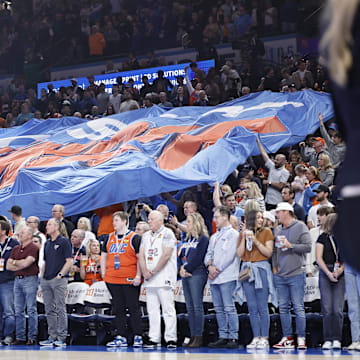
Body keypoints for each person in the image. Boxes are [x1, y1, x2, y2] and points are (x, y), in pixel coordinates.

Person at [101, 211, 143, 348]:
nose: (114, 223)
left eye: (117, 220)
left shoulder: (134, 238)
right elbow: (104, 256)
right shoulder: (108, 238)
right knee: (118, 308)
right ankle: (121, 336)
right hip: (112, 278)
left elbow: (139, 258)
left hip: (129, 278)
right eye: (113, 220)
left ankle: (138, 335)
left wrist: (138, 275)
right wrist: (103, 273)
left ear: (125, 221)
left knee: (133, 308)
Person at [272, 202, 311, 349]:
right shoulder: (278, 230)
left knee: (298, 307)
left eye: (278, 212)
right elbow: (275, 251)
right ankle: (287, 338)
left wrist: (291, 245)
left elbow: (308, 247)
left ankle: (301, 337)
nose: (276, 215)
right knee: (283, 307)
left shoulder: (301, 226)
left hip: (296, 273)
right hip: (281, 275)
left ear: (286, 212)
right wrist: (275, 267)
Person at [139, 210, 178, 349]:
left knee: (168, 309)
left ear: (160, 221)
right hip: (149, 278)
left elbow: (166, 255)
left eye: (151, 219)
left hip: (164, 276)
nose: (149, 221)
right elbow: (141, 255)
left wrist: (154, 271)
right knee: (152, 309)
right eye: (148, 219)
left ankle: (171, 338)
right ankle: (154, 337)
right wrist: (144, 271)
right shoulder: (145, 236)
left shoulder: (168, 233)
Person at [237, 211, 275, 349]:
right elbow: (240, 254)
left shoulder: (267, 232)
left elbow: (268, 252)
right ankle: (256, 336)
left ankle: (264, 337)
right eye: (258, 217)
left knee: (262, 306)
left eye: (261, 217)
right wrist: (243, 238)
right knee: (252, 307)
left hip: (261, 269)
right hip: (247, 269)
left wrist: (255, 241)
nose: (261, 219)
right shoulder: (243, 233)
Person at [204, 206, 239, 349]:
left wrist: (216, 269)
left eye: (217, 217)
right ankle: (223, 335)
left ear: (225, 217)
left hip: (227, 276)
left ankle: (233, 336)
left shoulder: (234, 235)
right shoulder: (214, 236)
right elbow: (208, 254)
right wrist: (209, 266)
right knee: (218, 308)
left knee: (229, 307)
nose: (214, 220)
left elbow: (230, 256)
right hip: (214, 277)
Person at [40, 218, 73, 347]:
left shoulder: (64, 241)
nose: (47, 226)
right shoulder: (47, 243)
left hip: (58, 279)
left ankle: (61, 337)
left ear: (57, 227)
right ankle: (52, 336)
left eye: (49, 224)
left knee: (60, 308)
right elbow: (45, 262)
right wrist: (41, 278)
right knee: (49, 309)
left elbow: (69, 261)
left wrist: (60, 275)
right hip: (46, 279)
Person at [178, 213, 209, 348]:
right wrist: (181, 268)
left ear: (196, 223)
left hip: (197, 273)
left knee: (197, 306)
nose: (187, 224)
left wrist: (187, 269)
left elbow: (199, 257)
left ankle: (199, 336)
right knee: (189, 307)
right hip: (185, 274)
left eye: (189, 222)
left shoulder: (203, 239)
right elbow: (181, 255)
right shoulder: (186, 239)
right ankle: (192, 335)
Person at [316, 213, 345, 350]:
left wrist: (339, 271)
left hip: (340, 271)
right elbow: (318, 257)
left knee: (337, 309)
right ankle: (328, 338)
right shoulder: (322, 238)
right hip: (325, 272)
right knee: (327, 309)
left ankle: (337, 338)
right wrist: (328, 273)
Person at [7, 226, 39, 345]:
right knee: (18, 310)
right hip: (17, 279)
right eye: (20, 232)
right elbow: (8, 266)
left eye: (23, 232)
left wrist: (15, 262)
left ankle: (32, 336)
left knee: (31, 309)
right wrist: (18, 263)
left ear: (30, 235)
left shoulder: (33, 248)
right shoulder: (16, 248)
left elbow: (27, 263)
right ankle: (20, 336)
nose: (20, 234)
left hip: (30, 279)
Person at [257, 138, 290, 210]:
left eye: (277, 160)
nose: (275, 161)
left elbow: (281, 186)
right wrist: (258, 142)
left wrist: (269, 182)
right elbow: (264, 155)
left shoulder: (285, 172)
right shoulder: (272, 166)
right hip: (268, 200)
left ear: (283, 161)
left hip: (276, 202)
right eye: (275, 159)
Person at [0, 220, 19, 345]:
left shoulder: (13, 243)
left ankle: (8, 335)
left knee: (8, 311)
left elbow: (17, 261)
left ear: (3, 230)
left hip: (8, 281)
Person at [306, 206, 334, 278]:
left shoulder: (334, 233)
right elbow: (308, 252)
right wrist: (308, 270)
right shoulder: (312, 232)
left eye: (321, 215)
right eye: (317, 214)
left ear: (328, 216)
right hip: (314, 270)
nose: (318, 217)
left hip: (331, 269)